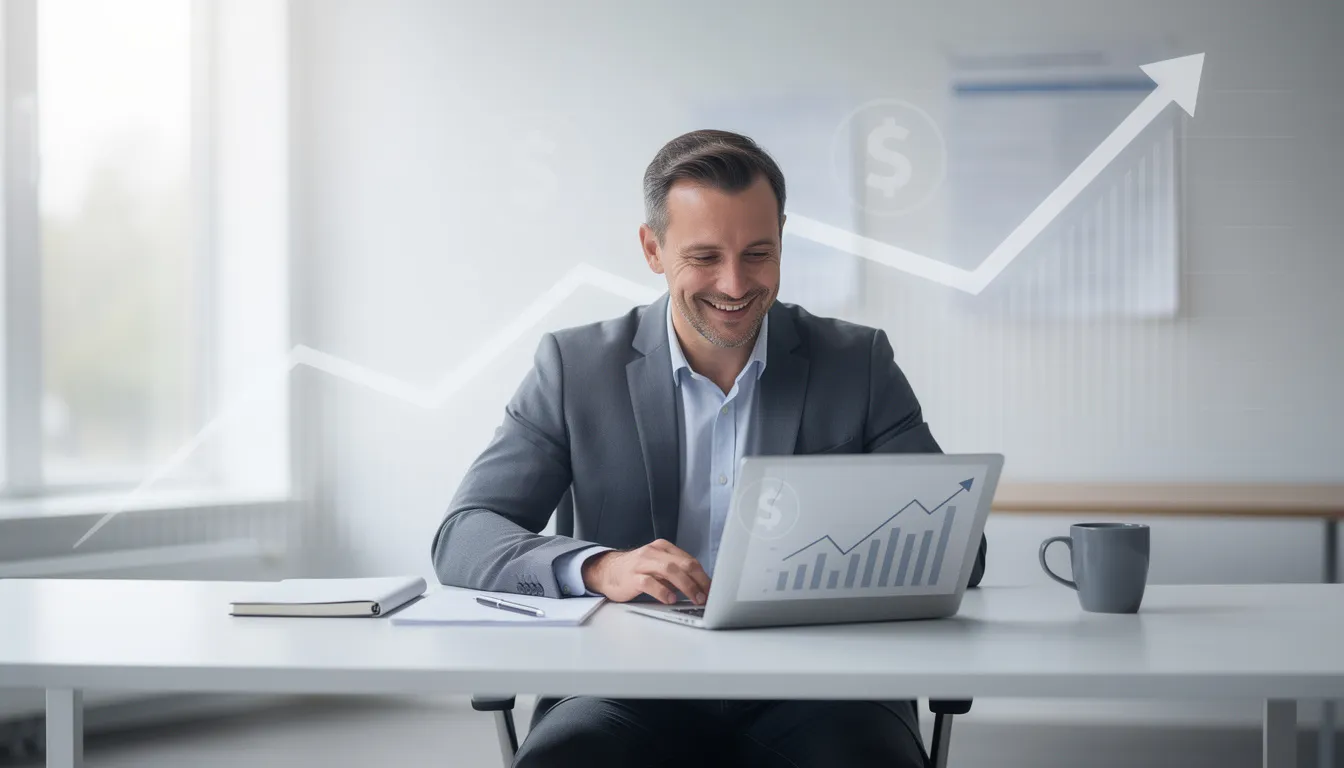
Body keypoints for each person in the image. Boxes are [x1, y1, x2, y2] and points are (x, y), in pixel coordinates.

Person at [431, 128, 987, 768]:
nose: (734, 283)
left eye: (758, 253)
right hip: (623, 684)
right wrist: (601, 567)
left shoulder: (856, 363)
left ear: (783, 238)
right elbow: (464, 535)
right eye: (704, 257)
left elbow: (959, 553)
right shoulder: (574, 367)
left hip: (823, 684)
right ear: (653, 248)